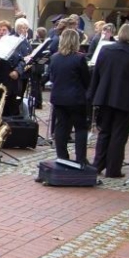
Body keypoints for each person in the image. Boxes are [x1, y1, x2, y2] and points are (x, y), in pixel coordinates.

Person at [88, 23, 129, 177]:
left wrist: (93, 95)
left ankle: (98, 165)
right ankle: (113, 169)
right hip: (125, 99)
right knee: (119, 135)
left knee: (104, 131)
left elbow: (97, 74)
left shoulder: (106, 49)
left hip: (105, 96)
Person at [48, 29, 90, 164]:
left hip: (58, 97)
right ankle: (81, 159)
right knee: (80, 128)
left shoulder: (54, 57)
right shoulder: (80, 58)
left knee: (61, 127)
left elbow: (52, 77)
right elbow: (86, 80)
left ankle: (62, 157)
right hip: (76, 99)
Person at [0, 20, 28, 129]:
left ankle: (8, 137)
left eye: (4, 30)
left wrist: (17, 71)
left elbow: (22, 61)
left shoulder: (15, 45)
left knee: (10, 109)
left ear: (9, 32)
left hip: (10, 82)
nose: (1, 32)